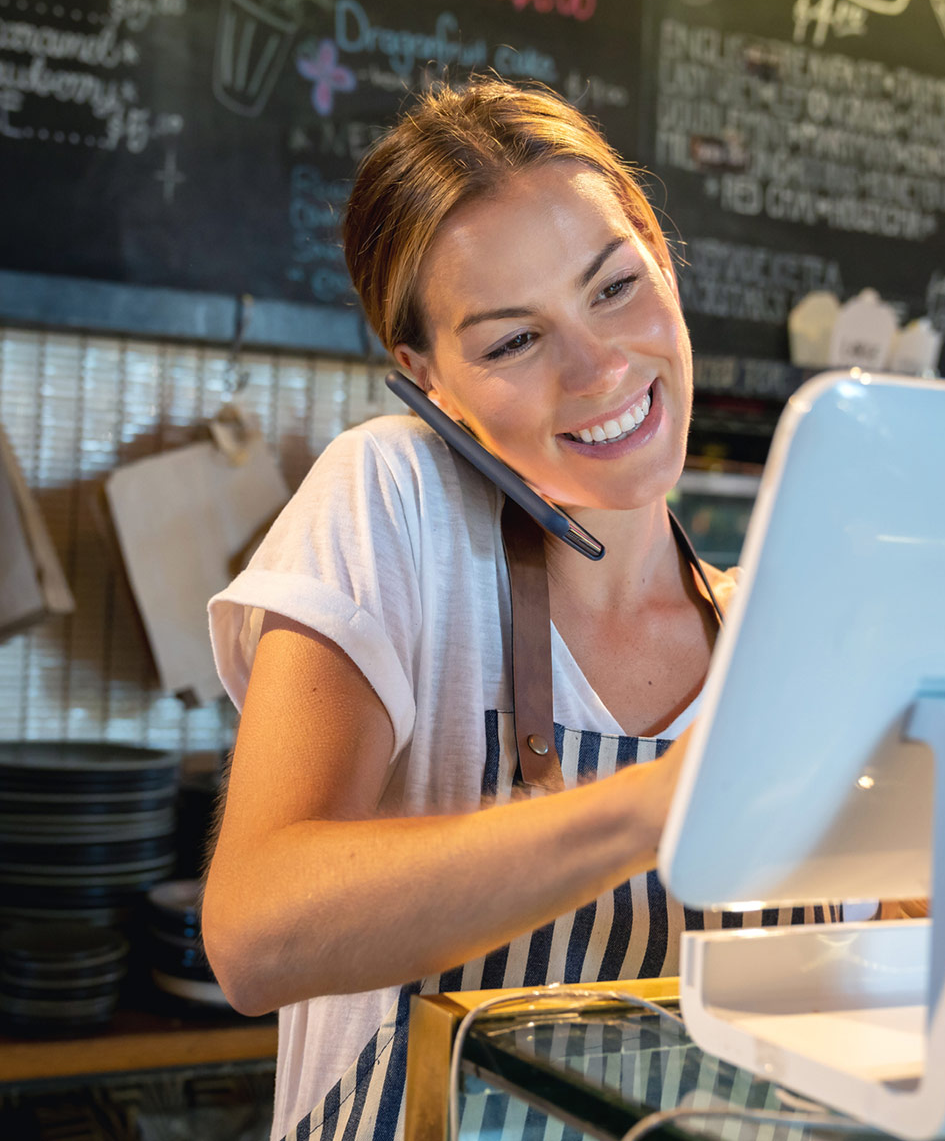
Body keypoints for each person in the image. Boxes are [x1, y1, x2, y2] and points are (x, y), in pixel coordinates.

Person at [202, 78, 843, 1141]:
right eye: (511, 342)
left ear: (663, 260)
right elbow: (254, 934)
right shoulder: (394, 501)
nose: (599, 367)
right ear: (429, 379)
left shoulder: (793, 631)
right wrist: (657, 805)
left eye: (613, 287)